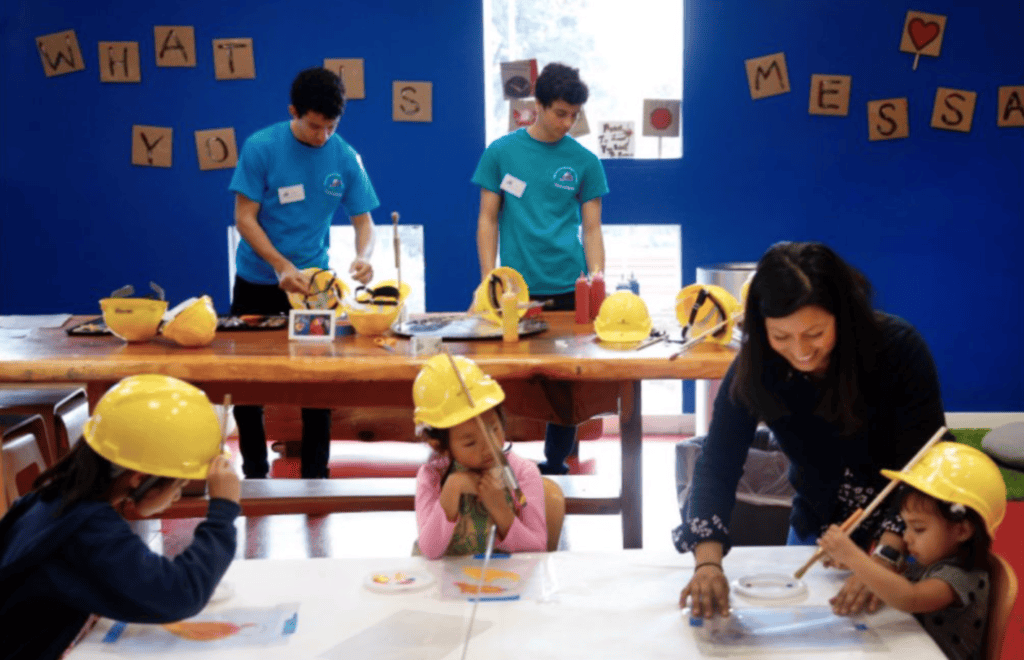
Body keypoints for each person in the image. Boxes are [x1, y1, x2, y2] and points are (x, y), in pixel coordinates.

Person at [676, 241, 947, 619]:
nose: (801, 350)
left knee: (898, 637)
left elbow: (925, 463)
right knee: (803, 624)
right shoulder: (757, 366)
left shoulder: (896, 350)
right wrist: (707, 563)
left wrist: (884, 558)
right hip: (818, 520)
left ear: (842, 316)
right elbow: (718, 463)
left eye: (815, 333)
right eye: (781, 336)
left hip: (910, 530)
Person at [0, 374, 241, 660]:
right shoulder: (88, 530)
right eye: (180, 484)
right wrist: (223, 512)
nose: (177, 495)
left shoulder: (53, 498)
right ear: (140, 478)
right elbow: (180, 594)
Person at [229, 66, 379, 479]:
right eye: (315, 126)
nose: (322, 136)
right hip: (257, 283)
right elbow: (244, 218)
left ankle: (316, 476)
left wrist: (364, 256)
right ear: (293, 111)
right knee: (248, 386)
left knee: (317, 384)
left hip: (314, 289)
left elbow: (364, 222)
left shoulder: (344, 156)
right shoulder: (261, 147)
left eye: (331, 126)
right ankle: (255, 472)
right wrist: (280, 265)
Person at [472, 62, 609, 475]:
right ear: (539, 105)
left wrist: (597, 279)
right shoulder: (501, 153)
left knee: (565, 383)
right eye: (560, 113)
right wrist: (490, 279)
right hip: (516, 289)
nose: (567, 123)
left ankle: (555, 464)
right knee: (505, 376)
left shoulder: (585, 161)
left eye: (574, 115)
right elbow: (487, 220)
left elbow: (592, 227)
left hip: (568, 285)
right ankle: (497, 460)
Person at [819, 442, 1006, 660]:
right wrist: (852, 564)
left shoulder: (960, 577)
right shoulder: (933, 560)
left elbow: (910, 597)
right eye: (906, 526)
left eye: (918, 529)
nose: (906, 537)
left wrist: (854, 557)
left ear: (962, 530)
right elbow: (900, 582)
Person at [412, 354, 547, 558]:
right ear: (440, 445)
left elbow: (537, 549)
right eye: (470, 443)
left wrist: (501, 510)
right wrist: (452, 488)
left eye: (494, 429)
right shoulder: (432, 478)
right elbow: (430, 551)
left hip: (505, 575)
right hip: (448, 577)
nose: (489, 447)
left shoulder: (522, 475)